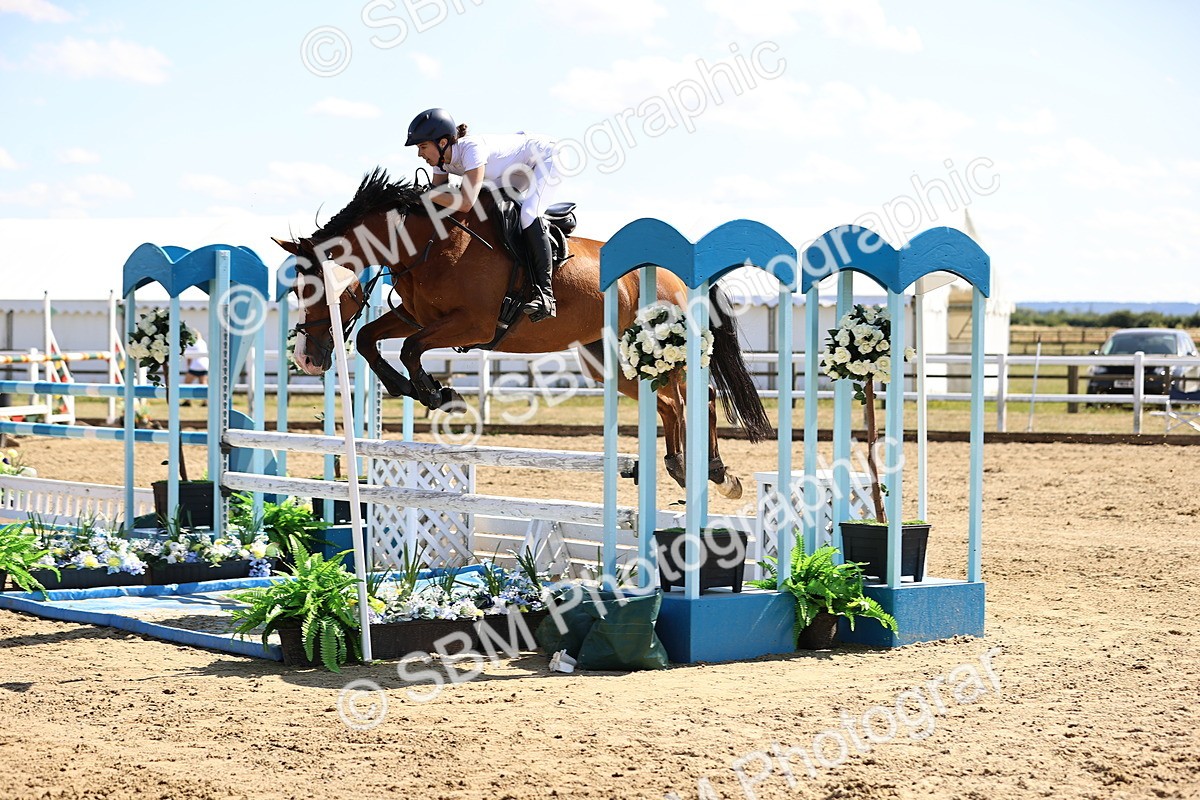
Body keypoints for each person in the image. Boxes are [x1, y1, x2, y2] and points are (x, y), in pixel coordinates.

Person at [405, 108, 560, 322]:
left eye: (423, 147)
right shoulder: (441, 162)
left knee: (528, 214)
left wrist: (426, 196)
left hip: (545, 158)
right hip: (513, 170)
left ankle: (545, 295)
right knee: (489, 210)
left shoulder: (471, 149)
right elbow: (437, 199)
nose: (420, 154)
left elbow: (465, 203)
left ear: (442, 143)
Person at [181, 336, 208, 406]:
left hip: (195, 366)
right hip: (204, 365)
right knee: (203, 384)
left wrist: (188, 367)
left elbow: (189, 356)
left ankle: (187, 401)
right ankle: (205, 401)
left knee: (187, 383)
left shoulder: (192, 343)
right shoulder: (203, 342)